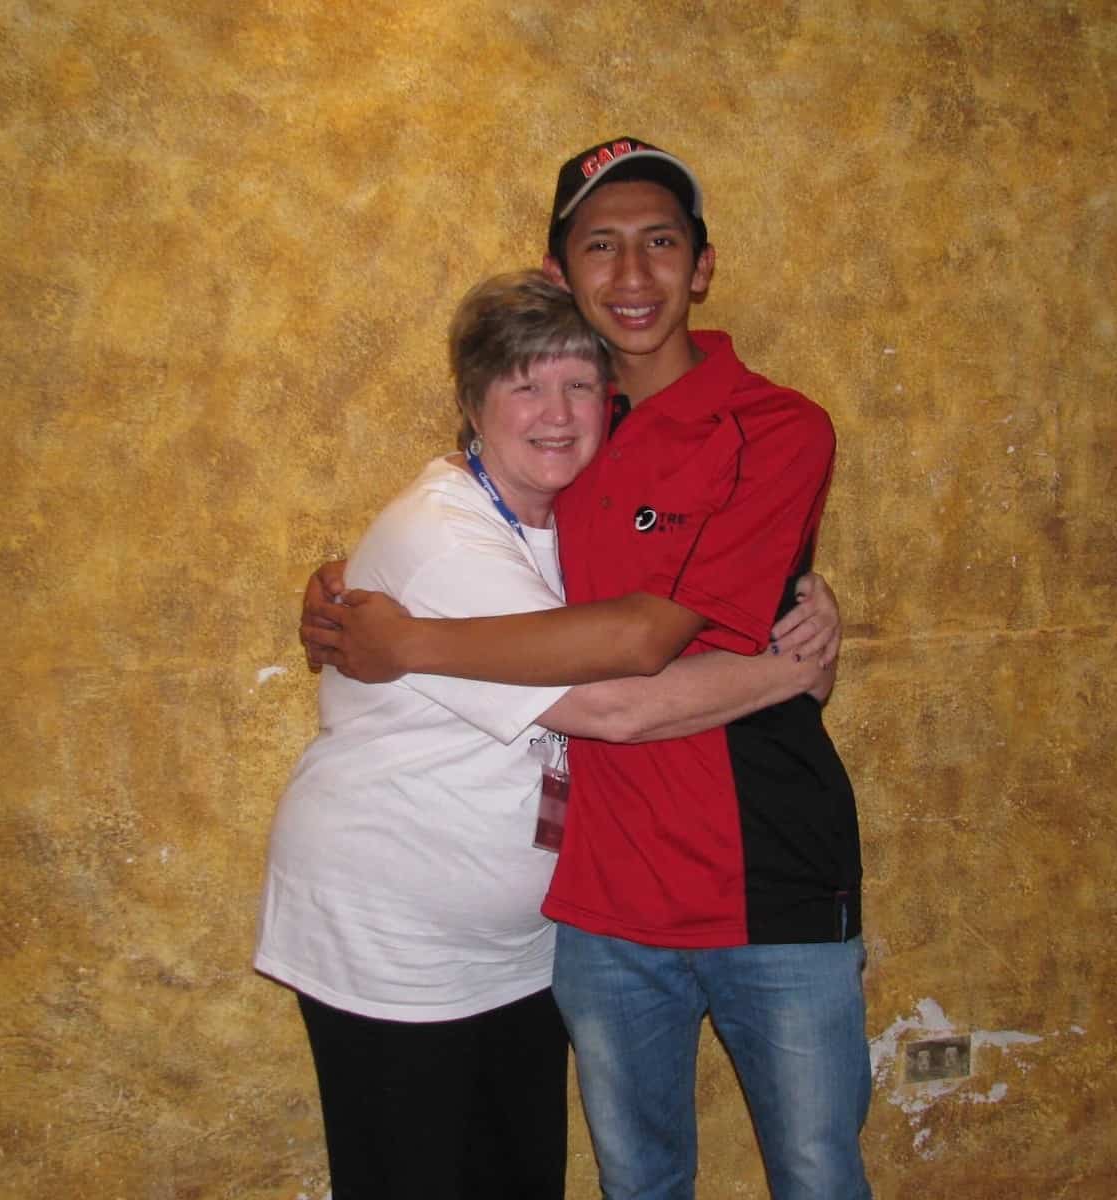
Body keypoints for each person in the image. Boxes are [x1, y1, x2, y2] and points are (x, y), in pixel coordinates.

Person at [303, 139, 872, 1199]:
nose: (632, 274)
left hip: (772, 881)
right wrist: (352, 589)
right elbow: (463, 539)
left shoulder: (769, 427)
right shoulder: (573, 443)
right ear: (563, 271)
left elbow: (636, 644)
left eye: (660, 242)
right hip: (600, 907)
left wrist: (410, 638)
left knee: (815, 1175)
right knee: (634, 1184)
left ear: (702, 265)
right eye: (599, 245)